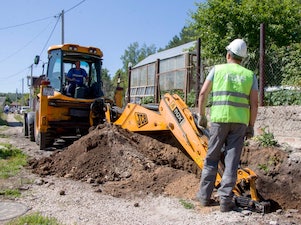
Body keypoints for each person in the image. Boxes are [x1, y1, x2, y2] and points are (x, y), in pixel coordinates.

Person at [196, 39, 259, 212]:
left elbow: (203, 93)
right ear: (242, 58)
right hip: (239, 123)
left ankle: (204, 197)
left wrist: (201, 115)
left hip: (218, 120)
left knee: (211, 159)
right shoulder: (249, 75)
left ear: (228, 55)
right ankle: (225, 200)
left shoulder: (217, 70)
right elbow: (254, 104)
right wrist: (251, 125)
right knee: (231, 162)